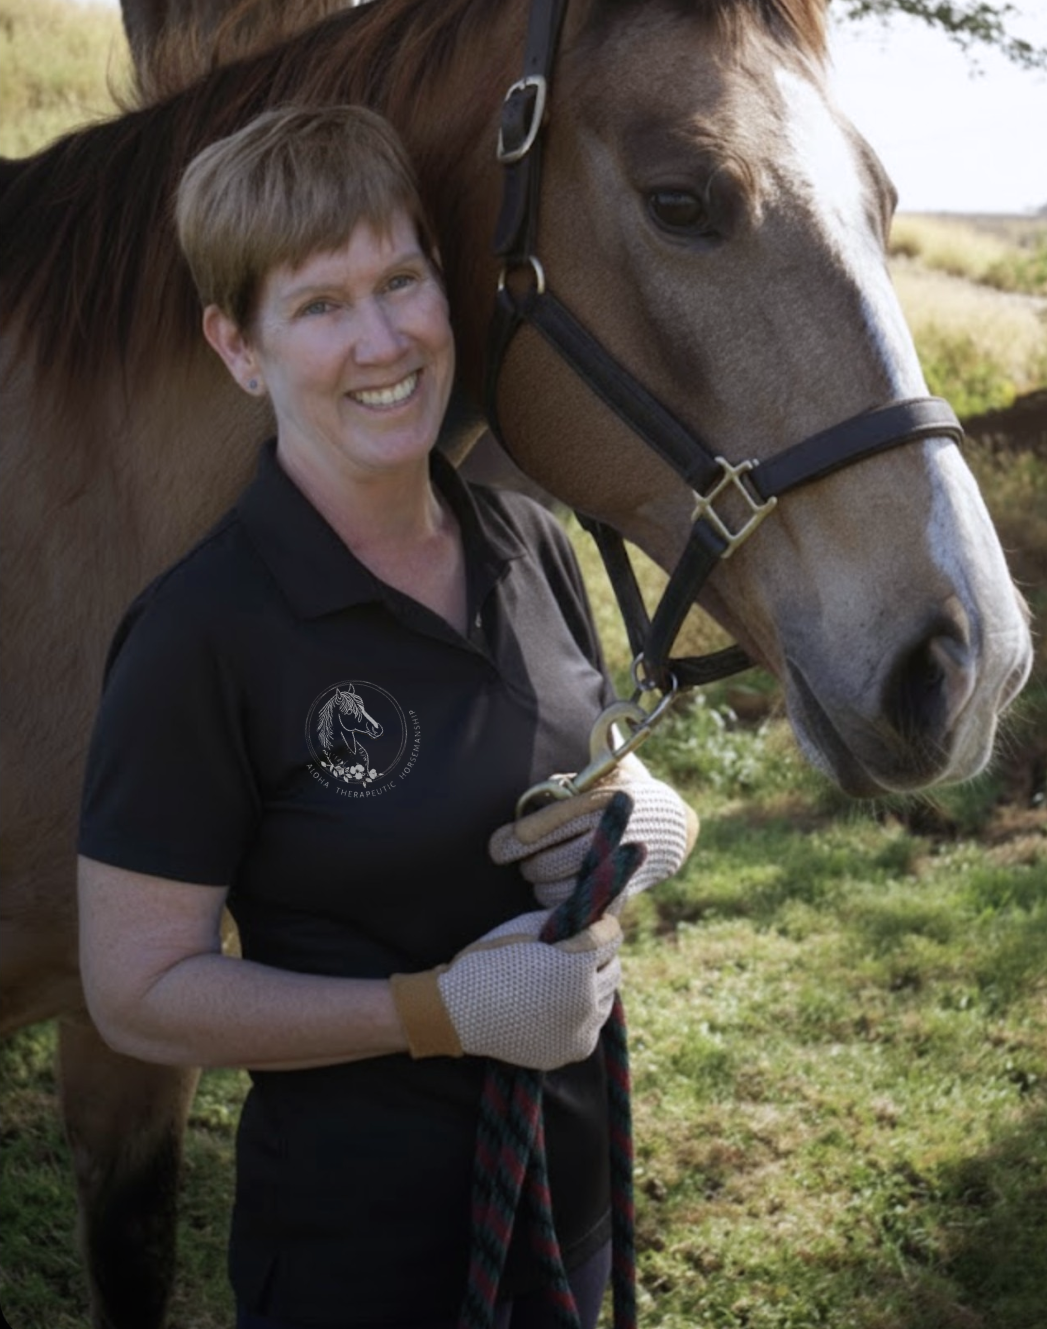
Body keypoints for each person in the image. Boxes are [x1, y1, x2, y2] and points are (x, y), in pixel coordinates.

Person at [77, 104, 699, 1329]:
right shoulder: (199, 633)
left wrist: (640, 822)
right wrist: (434, 1011)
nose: (383, 339)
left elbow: (570, 776)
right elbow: (138, 989)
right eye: (317, 304)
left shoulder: (526, 539)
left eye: (401, 280)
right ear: (239, 345)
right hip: (362, 1263)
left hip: (563, 1213)